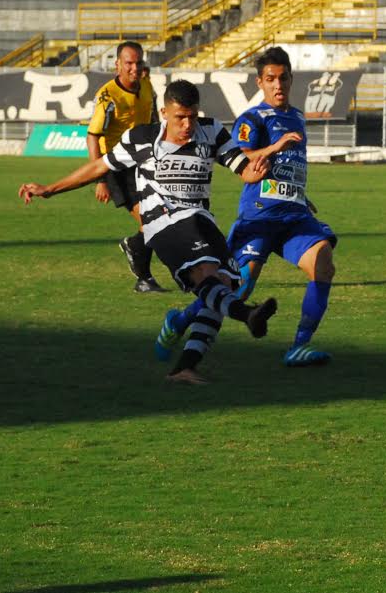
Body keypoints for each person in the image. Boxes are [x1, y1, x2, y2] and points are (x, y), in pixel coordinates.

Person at [19, 79, 281, 386]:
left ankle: (184, 368)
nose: (187, 124)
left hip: (201, 220)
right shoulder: (141, 138)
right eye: (180, 117)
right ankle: (247, 315)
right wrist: (50, 189)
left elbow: (242, 169)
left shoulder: (211, 131)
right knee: (207, 274)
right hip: (163, 222)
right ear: (164, 113)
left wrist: (256, 171)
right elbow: (99, 168)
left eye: (193, 116)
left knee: (221, 284)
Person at [153, 47, 338, 369]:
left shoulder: (296, 116)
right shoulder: (252, 119)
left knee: (323, 263)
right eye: (270, 79)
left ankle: (299, 347)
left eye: (282, 78)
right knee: (238, 287)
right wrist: (276, 146)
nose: (277, 85)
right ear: (260, 82)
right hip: (259, 216)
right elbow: (240, 159)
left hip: (294, 215)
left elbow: (290, 165)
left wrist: (297, 193)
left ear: (291, 79)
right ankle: (180, 320)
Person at [87, 40, 163, 292]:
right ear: (117, 64)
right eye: (128, 63)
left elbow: (153, 119)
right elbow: (93, 136)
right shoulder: (108, 96)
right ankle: (144, 277)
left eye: (138, 62)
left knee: (158, 218)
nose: (134, 68)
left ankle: (139, 261)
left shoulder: (147, 85)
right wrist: (100, 178)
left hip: (145, 162)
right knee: (150, 221)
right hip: (118, 167)